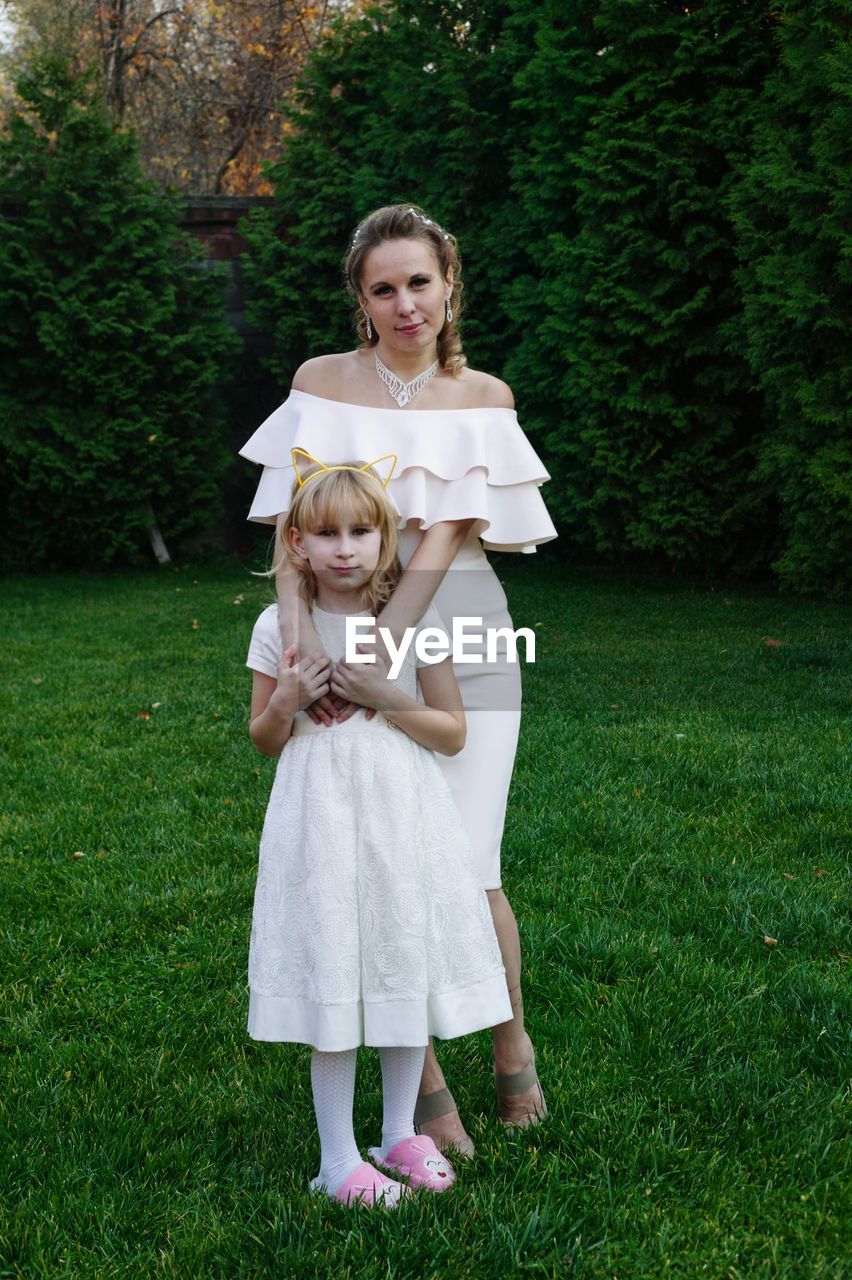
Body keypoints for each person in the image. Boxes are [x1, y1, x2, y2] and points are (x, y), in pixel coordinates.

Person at [240, 203, 557, 1155]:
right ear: (361, 298)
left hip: (460, 626)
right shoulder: (320, 385)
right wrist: (302, 652)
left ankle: (510, 1042)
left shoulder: (484, 398)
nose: (405, 302)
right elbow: (293, 534)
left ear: (449, 284)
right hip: (333, 629)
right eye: (384, 287)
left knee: (471, 859)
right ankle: (417, 1083)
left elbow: (457, 530)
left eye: (420, 281)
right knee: (374, 857)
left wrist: (382, 645)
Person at [245, 458, 513, 1207]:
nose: (344, 548)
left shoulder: (415, 625)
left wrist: (383, 694)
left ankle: (399, 1132)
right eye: (325, 534)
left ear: (385, 538)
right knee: (335, 966)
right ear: (296, 543)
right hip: (320, 821)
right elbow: (263, 738)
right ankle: (336, 1160)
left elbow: (452, 733)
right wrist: (288, 702)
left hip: (401, 819)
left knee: (400, 966)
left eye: (361, 531)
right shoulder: (277, 628)